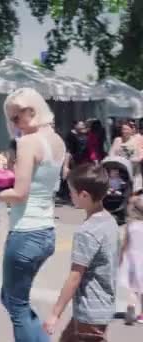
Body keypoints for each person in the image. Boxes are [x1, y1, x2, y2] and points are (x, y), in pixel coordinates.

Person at [0, 87, 66, 342]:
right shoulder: (57, 141)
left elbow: (19, 193)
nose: (15, 122)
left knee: (16, 305)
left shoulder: (27, 142)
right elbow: (40, 182)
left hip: (25, 232)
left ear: (33, 110)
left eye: (17, 116)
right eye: (12, 117)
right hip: (46, 231)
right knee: (11, 297)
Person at [43, 164, 119, 342]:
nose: (69, 195)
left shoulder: (86, 231)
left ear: (84, 195)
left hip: (90, 309)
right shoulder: (110, 221)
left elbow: (75, 276)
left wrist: (55, 313)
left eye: (71, 192)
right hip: (103, 305)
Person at [121, 195, 143, 325]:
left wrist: (121, 256)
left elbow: (125, 243)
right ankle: (142, 315)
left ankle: (130, 306)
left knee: (133, 287)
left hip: (131, 259)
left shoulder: (131, 225)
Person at [109, 120, 142, 190]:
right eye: (123, 129)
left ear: (131, 130)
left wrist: (133, 160)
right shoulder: (117, 140)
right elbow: (111, 154)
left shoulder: (137, 139)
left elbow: (141, 155)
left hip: (134, 172)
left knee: (135, 193)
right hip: (120, 172)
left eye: (126, 129)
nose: (124, 131)